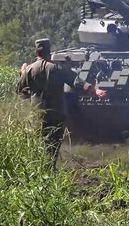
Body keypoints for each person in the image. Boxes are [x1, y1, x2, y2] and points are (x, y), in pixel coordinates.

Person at [17, 38, 106, 167]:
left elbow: (20, 92)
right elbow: (76, 81)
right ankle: (50, 168)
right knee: (53, 145)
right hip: (56, 113)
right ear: (49, 51)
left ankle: (39, 169)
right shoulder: (57, 68)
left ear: (37, 52)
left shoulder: (30, 70)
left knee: (39, 143)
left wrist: (22, 74)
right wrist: (95, 91)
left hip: (37, 114)